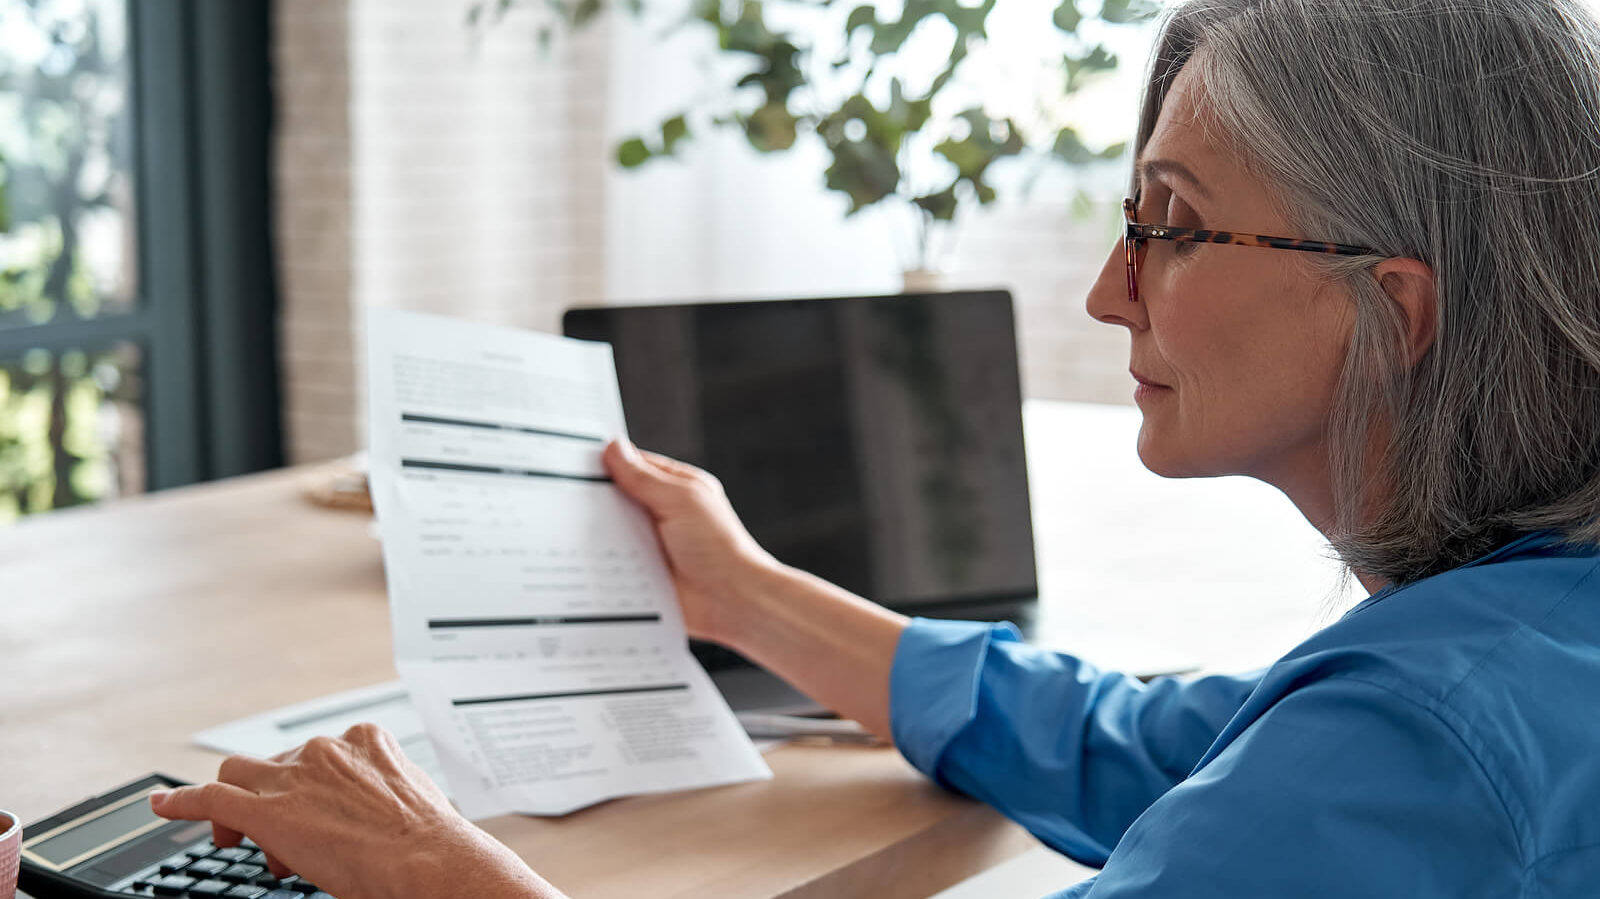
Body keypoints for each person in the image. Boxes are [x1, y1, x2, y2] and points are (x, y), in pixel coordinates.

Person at [150, 0, 1600, 895]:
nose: (1110, 290)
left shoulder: (1429, 742)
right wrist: (741, 592)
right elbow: (1147, 748)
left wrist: (442, 880)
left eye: (1169, 221)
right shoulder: (1507, 648)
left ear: (1389, 310)